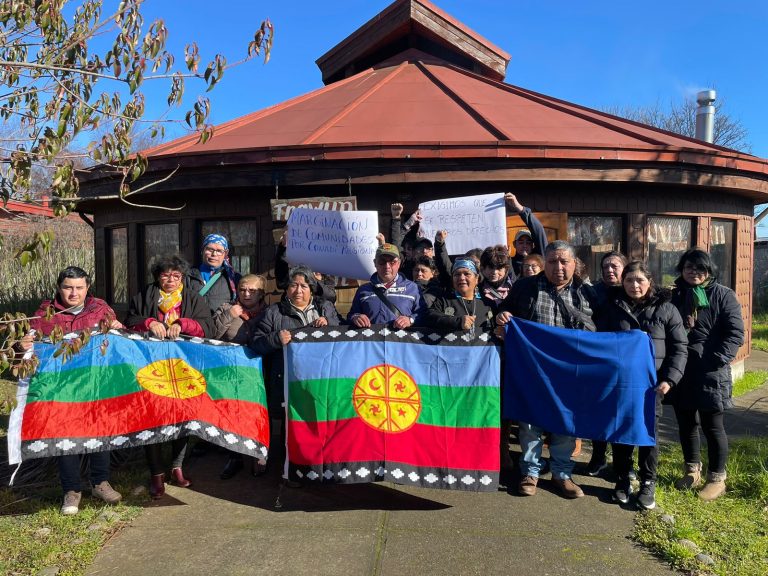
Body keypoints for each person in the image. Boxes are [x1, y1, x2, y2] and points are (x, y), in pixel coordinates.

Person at [496, 240, 599, 499]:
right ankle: (529, 472)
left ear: (574, 264)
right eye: (552, 261)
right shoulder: (525, 287)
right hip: (534, 371)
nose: (558, 267)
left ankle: (562, 474)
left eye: (564, 261)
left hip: (570, 373)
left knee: (565, 423)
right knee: (530, 423)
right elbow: (503, 311)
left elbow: (602, 327)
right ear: (545, 263)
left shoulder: (588, 293)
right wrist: (503, 316)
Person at [18, 266, 124, 515]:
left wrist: (117, 328)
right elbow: (31, 337)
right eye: (68, 287)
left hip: (96, 384)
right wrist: (26, 342)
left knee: (100, 432)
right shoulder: (46, 312)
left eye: (79, 287)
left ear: (87, 288)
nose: (73, 293)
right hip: (63, 388)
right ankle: (72, 490)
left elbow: (115, 338)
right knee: (65, 435)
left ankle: (100, 482)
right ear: (59, 288)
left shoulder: (100, 308)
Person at [599, 261, 688, 509]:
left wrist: (669, 379)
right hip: (620, 383)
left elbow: (680, 348)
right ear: (622, 282)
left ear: (650, 281)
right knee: (620, 431)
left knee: (648, 434)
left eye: (639, 280)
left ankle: (648, 482)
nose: (634, 285)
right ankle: (622, 479)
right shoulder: (613, 307)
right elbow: (599, 342)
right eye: (629, 280)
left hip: (652, 386)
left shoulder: (667, 309)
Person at [125, 253, 214, 499]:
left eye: (176, 276)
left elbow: (209, 327)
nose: (171, 280)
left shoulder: (194, 299)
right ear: (157, 277)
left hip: (184, 369)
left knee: (183, 418)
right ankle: (156, 474)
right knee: (152, 418)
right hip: (151, 369)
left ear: (182, 277)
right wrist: (149, 322)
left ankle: (177, 466)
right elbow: (129, 320)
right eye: (166, 275)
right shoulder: (143, 297)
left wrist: (184, 324)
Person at [250, 266, 342, 482]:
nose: (298, 290)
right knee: (290, 427)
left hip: (320, 381)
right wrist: (275, 339)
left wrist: (330, 324)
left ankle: (320, 465)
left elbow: (342, 330)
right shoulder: (274, 312)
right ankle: (291, 469)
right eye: (293, 285)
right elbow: (256, 343)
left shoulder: (325, 308)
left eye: (304, 285)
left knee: (319, 423)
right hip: (288, 380)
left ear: (312, 289)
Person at [668, 248, 744, 501]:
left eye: (700, 268)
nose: (694, 272)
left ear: (709, 271)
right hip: (681, 370)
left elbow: (735, 334)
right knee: (686, 423)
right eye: (689, 267)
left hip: (711, 372)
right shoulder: (674, 295)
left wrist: (715, 360)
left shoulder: (723, 295)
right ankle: (692, 470)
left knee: (713, 426)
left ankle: (717, 478)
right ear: (682, 269)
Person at [586, 251, 629, 478]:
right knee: (598, 411)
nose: (609, 271)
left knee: (621, 413)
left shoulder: (632, 291)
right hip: (598, 360)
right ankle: (598, 456)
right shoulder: (593, 291)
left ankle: (624, 463)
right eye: (605, 267)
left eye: (614, 266)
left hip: (625, 363)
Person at [348, 243, 425, 329]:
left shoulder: (413, 288)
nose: (387, 266)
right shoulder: (363, 290)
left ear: (399, 263)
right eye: (382, 262)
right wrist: (356, 317)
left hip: (400, 340)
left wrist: (410, 320)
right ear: (375, 263)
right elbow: (351, 315)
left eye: (392, 262)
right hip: (372, 341)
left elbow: (423, 315)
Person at [426, 258, 497, 334]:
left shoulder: (488, 304)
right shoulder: (443, 300)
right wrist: (458, 322)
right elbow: (430, 317)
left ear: (476, 278)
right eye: (457, 274)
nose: (462, 278)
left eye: (467, 274)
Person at [274, 234, 337, 303]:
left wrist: (312, 280)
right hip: (292, 310)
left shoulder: (325, 269)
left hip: (318, 311)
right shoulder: (295, 265)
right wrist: (283, 248)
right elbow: (281, 282)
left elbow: (331, 296)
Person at [188, 233, 241, 313]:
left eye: (219, 251)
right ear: (203, 250)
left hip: (222, 324)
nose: (214, 254)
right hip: (196, 324)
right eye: (210, 249)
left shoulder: (233, 278)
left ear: (225, 253)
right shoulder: (188, 275)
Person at [212, 274, 268, 344]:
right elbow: (211, 335)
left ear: (261, 294)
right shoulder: (226, 308)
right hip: (227, 353)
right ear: (238, 292)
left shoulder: (268, 313)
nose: (246, 294)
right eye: (242, 290)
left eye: (252, 290)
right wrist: (228, 315)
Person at [505, 193, 548, 277]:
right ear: (514, 244)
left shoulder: (541, 258)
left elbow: (539, 230)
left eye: (528, 242)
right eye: (521, 242)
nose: (524, 245)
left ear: (532, 245)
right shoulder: (509, 262)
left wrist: (521, 209)